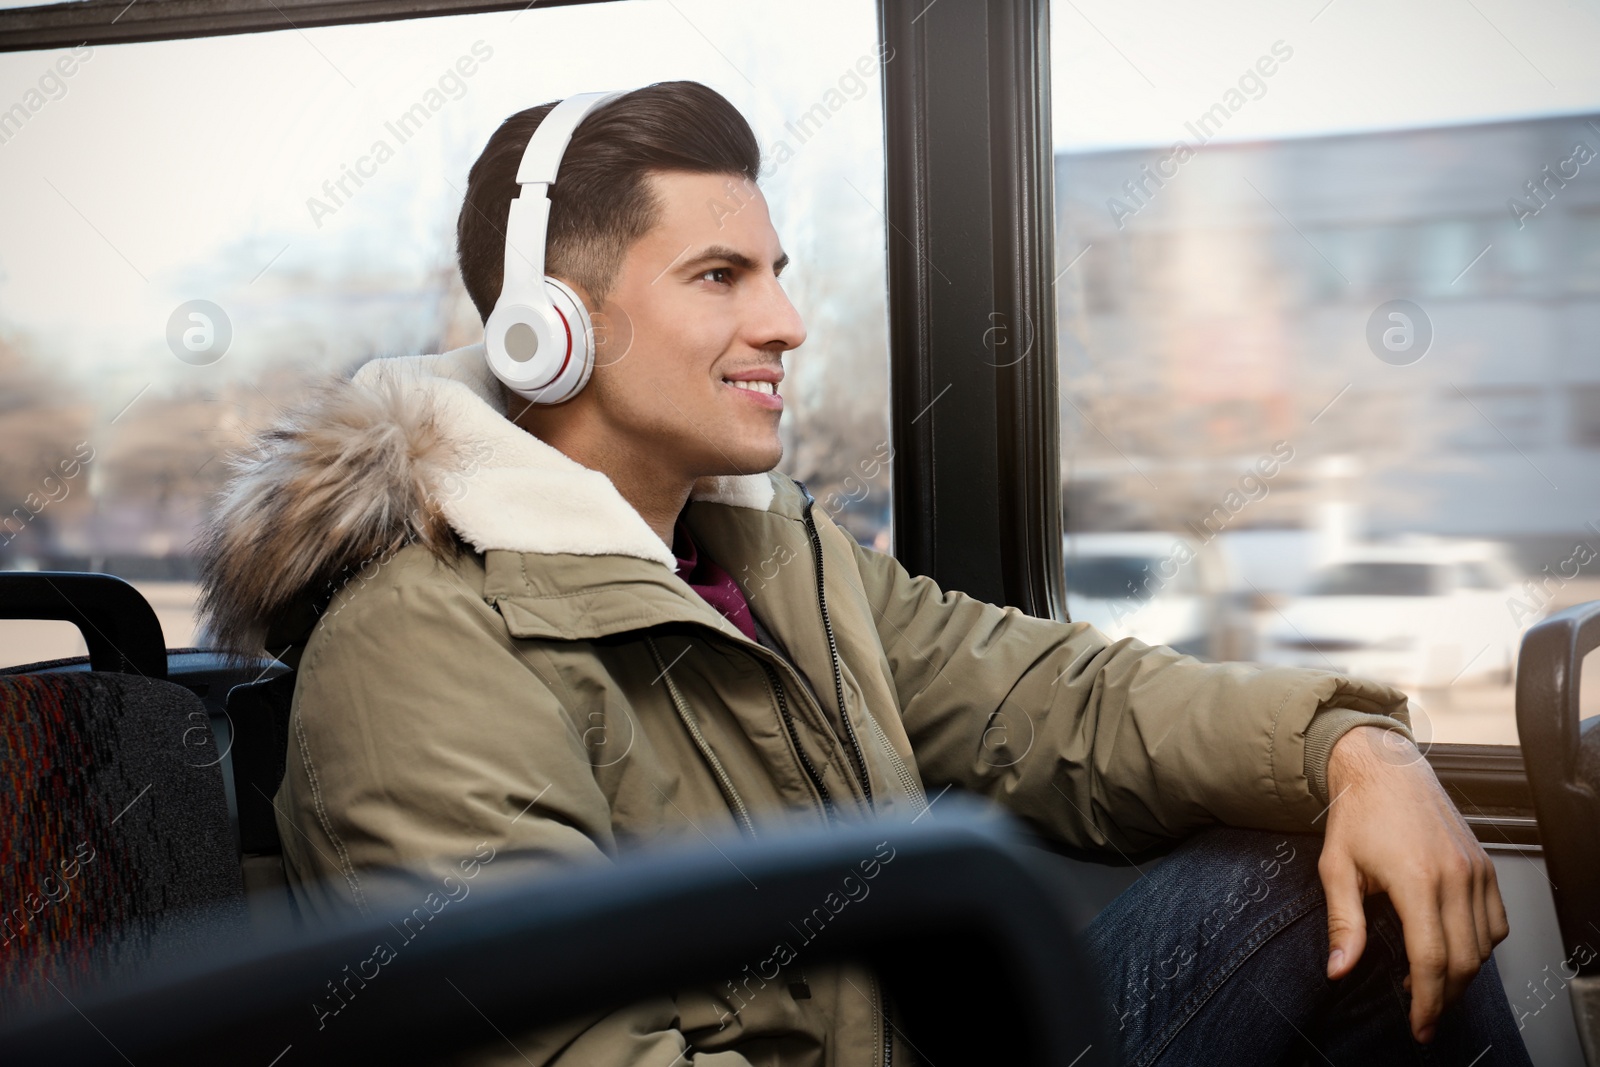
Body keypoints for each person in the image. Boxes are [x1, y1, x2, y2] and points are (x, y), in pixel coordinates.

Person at [196, 80, 1530, 1066]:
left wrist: (1358, 752)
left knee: (1318, 860)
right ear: (548, 327)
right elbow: (557, 1050)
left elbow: (1054, 700)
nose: (782, 320)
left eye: (777, 273)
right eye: (720, 276)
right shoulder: (417, 649)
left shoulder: (773, 559)